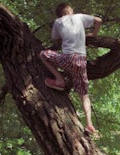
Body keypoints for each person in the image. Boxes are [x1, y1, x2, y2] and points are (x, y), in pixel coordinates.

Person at [39, 3, 102, 134]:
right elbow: (98, 20)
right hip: (81, 61)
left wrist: (63, 39)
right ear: (67, 10)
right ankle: (89, 124)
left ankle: (59, 79)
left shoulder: (58, 22)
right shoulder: (80, 17)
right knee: (84, 94)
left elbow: (56, 39)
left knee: (43, 54)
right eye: (71, 8)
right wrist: (93, 34)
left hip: (67, 59)